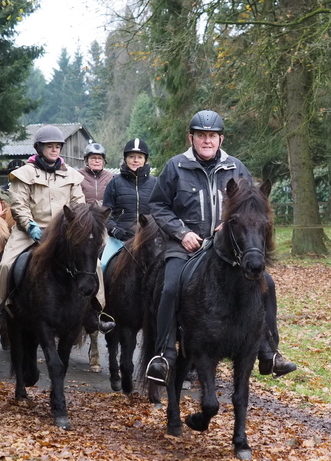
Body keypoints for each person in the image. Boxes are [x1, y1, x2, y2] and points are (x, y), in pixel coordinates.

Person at [145, 110, 297, 384]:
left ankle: (269, 351)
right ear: (191, 138)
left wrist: (227, 229)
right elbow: (158, 205)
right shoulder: (175, 166)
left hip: (227, 248)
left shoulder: (236, 168)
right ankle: (164, 356)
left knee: (267, 284)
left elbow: (251, 206)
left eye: (212, 136)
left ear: (220, 139)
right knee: (169, 286)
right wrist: (182, 233)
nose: (207, 141)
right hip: (186, 245)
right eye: (201, 135)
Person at [0, 125, 87, 333]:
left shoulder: (72, 176)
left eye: (58, 146)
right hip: (30, 230)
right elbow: (18, 204)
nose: (55, 150)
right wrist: (29, 225)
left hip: (62, 233)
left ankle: (97, 310)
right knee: (5, 264)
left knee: (94, 264)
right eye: (50, 146)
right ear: (39, 148)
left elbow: (79, 205)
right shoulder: (23, 174)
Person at [78, 143, 114, 373]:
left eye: (100, 158)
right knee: (94, 264)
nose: (96, 161)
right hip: (84, 227)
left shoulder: (112, 178)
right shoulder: (77, 177)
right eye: (92, 157)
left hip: (107, 227)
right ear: (86, 160)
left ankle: (108, 308)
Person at [101, 139, 157, 269]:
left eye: (139, 157)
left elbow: (161, 211)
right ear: (126, 159)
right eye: (131, 157)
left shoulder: (155, 183)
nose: (135, 160)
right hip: (120, 239)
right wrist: (115, 230)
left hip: (149, 238)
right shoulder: (114, 183)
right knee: (103, 265)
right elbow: (106, 214)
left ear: (145, 160)